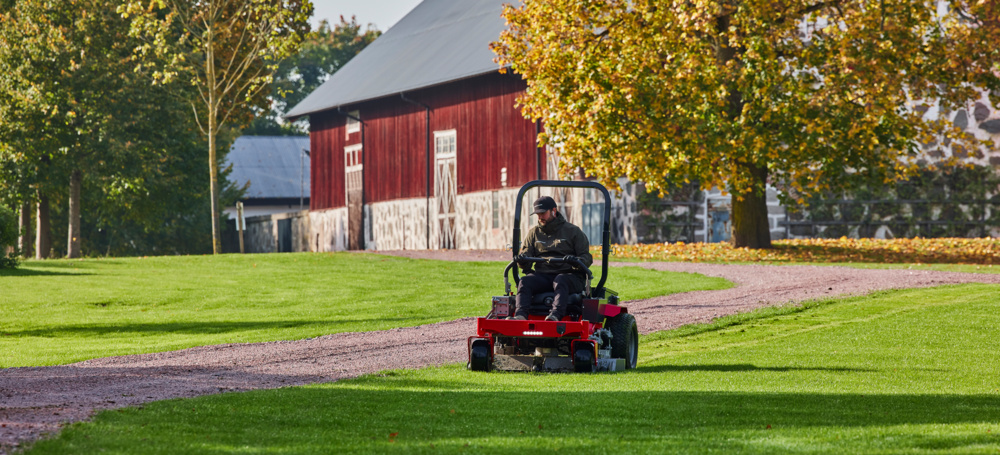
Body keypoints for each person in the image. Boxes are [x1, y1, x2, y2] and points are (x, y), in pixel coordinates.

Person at [508, 195, 593, 321]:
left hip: (569, 276)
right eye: (538, 214)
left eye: (543, 213)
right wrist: (522, 259)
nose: (540, 217)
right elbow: (527, 256)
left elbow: (586, 257)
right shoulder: (534, 233)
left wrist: (576, 261)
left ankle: (555, 316)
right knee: (525, 281)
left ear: (554, 210)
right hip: (543, 275)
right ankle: (520, 315)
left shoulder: (573, 231)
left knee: (560, 279)